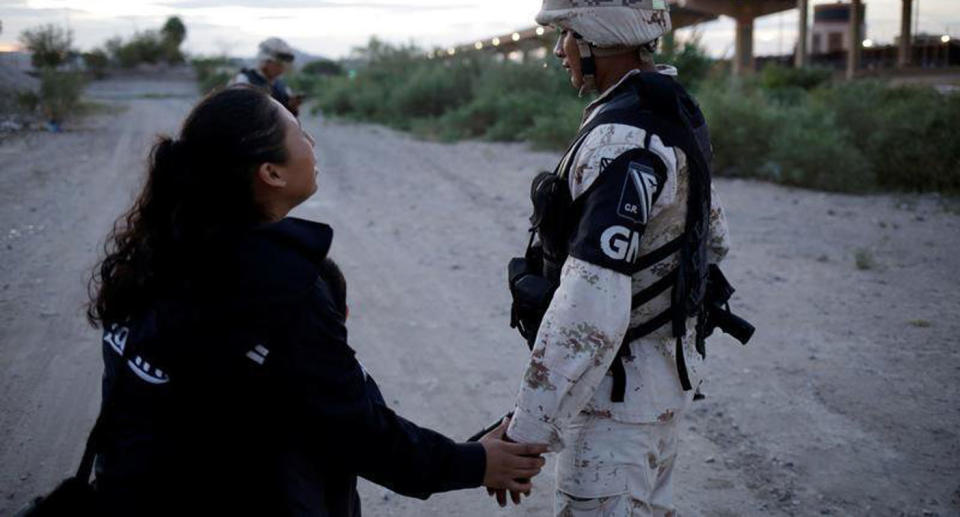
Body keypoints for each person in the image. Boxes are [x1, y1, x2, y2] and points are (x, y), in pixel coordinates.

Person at [87, 86, 547, 516]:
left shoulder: (157, 257)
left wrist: (468, 454)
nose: (311, 142)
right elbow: (355, 430)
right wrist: (475, 463)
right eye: (300, 133)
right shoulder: (276, 288)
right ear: (271, 173)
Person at [497, 0, 732, 514]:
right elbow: (714, 239)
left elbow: (589, 309)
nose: (560, 51)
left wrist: (525, 429)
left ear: (595, 39)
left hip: (614, 400)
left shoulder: (619, 138)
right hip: (662, 380)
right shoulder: (675, 111)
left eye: (565, 36)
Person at [230, 37, 303, 116]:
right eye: (277, 64)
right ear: (265, 61)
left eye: (283, 65)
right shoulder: (243, 80)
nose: (281, 68)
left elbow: (287, 116)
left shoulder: (282, 86)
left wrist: (291, 107)